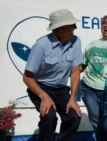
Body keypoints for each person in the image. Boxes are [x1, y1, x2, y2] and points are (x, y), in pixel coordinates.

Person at [23, 9, 82, 141]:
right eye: (72, 25)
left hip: (61, 90)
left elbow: (75, 71)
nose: (75, 28)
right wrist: (44, 97)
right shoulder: (41, 45)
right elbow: (27, 77)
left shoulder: (76, 41)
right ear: (60, 28)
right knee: (49, 117)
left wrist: (73, 98)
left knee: (75, 117)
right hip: (41, 88)